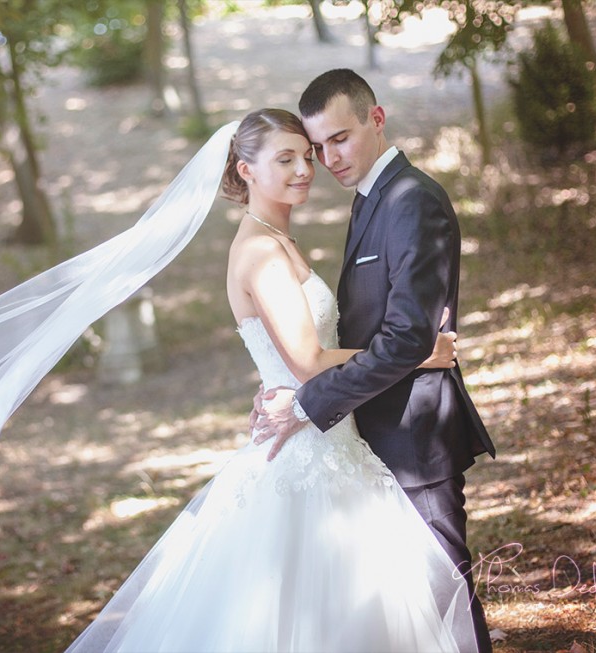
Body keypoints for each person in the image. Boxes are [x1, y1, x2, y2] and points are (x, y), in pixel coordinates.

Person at [64, 108, 478, 652]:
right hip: (308, 456)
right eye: (285, 159)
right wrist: (418, 353)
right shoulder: (261, 250)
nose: (305, 169)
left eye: (305, 157)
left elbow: (289, 357)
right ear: (246, 169)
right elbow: (307, 360)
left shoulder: (277, 239)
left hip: (330, 437)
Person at [252, 69, 497, 653]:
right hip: (371, 435)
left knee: (444, 601)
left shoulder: (412, 201)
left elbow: (408, 337)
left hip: (415, 435)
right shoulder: (369, 202)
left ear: (376, 118)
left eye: (339, 138)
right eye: (317, 147)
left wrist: (308, 403)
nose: (327, 159)